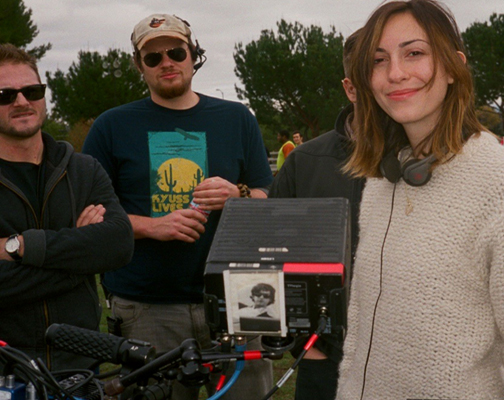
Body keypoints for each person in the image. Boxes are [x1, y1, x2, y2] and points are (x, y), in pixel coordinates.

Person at [336, 1, 504, 399]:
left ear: (451, 67)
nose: (395, 73)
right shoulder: (381, 180)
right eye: (378, 60)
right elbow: (360, 324)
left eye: (414, 53)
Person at [81, 14, 274, 400]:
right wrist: (153, 226)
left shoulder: (236, 118)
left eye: (175, 51)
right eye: (152, 58)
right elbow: (91, 216)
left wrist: (237, 196)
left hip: (235, 300)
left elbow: (265, 200)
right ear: (139, 66)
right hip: (146, 308)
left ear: (192, 55)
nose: (166, 62)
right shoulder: (111, 126)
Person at [0, 44, 133, 371]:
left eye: (32, 90)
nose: (21, 101)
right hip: (6, 373)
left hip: (79, 371)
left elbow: (118, 243)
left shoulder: (83, 170)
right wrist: (81, 255)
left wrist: (20, 247)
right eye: (5, 94)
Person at [270, 30, 364, 400]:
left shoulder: (434, 161)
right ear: (350, 87)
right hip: (326, 360)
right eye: (372, 67)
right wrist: (305, 345)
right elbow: (267, 258)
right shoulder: (305, 162)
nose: (389, 78)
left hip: (416, 357)